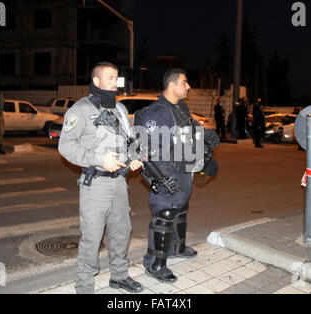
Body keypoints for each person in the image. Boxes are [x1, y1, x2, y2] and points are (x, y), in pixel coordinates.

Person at [58, 62, 144, 294]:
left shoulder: (121, 110)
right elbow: (65, 146)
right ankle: (84, 287)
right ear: (96, 81)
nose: (114, 82)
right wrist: (98, 159)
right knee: (92, 238)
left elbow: (129, 142)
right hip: (95, 184)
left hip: (119, 183)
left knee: (121, 232)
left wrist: (133, 158)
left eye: (116, 77)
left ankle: (119, 276)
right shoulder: (81, 109)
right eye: (109, 77)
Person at [138, 69, 218, 283]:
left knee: (180, 209)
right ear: (172, 85)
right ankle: (155, 264)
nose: (188, 86)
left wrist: (206, 151)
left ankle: (177, 247)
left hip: (184, 169)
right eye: (185, 82)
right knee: (164, 213)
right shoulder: (158, 112)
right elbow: (150, 149)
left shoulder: (181, 108)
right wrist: (163, 177)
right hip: (167, 173)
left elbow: (190, 136)